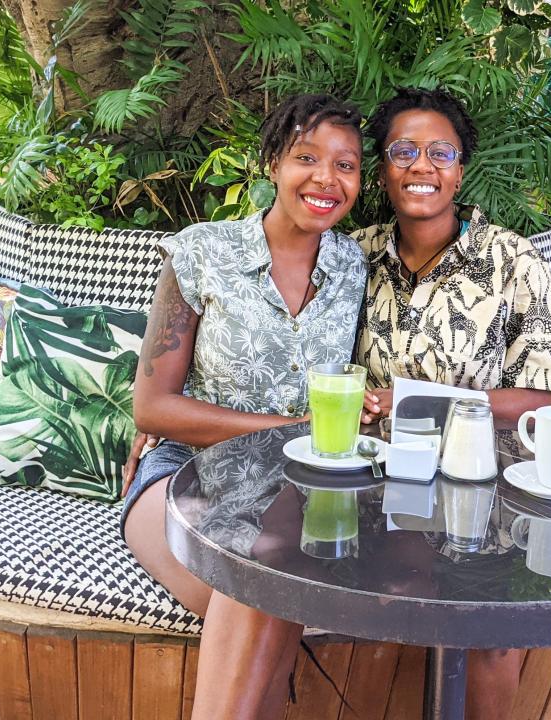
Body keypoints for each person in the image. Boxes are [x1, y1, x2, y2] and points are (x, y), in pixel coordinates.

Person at [355, 87, 551, 720]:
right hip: (377, 487)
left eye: (440, 152)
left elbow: (538, 397)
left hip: (486, 489)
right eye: (403, 150)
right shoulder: (354, 256)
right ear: (382, 168)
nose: (422, 166)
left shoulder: (514, 261)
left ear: (460, 168)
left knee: (499, 637)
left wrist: (415, 400)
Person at [119, 93, 367, 720]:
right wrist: (294, 428)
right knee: (263, 588)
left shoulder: (356, 265)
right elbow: (152, 408)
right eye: (306, 158)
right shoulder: (203, 252)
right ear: (271, 165)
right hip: (183, 473)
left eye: (346, 165)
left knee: (274, 585)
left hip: (299, 494)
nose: (326, 179)